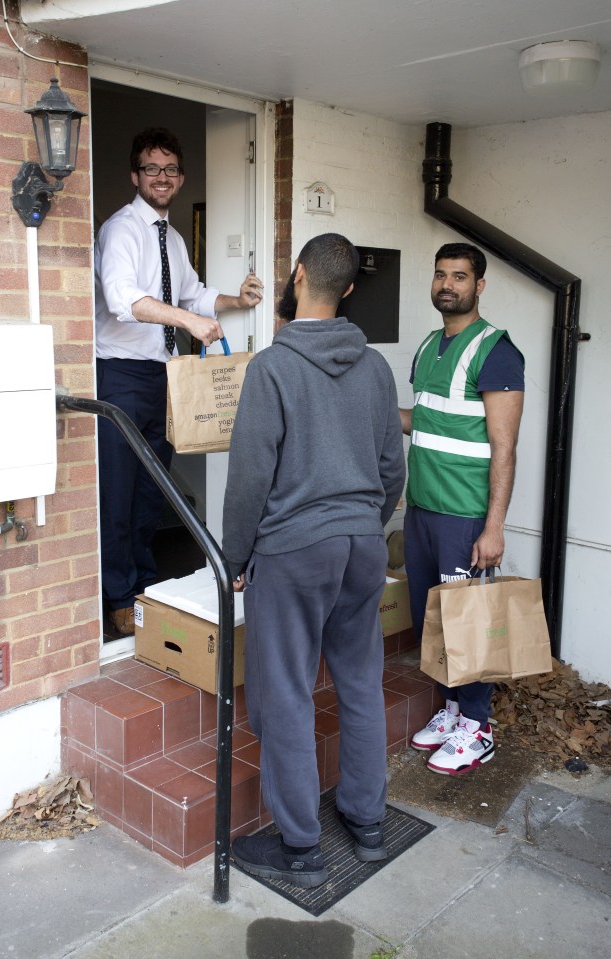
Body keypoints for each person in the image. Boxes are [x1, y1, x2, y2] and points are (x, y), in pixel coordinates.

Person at [222, 233, 405, 888]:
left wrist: (233, 556)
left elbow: (248, 478)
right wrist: (363, 525)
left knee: (288, 694)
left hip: (293, 553)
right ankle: (367, 820)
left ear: (297, 276)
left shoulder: (272, 368)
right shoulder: (376, 369)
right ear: (349, 288)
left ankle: (300, 847)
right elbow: (392, 470)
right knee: (358, 682)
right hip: (360, 546)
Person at [95, 127, 263, 637]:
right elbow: (122, 297)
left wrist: (237, 302)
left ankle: (144, 587)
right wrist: (187, 324)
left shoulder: (173, 238)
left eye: (169, 169)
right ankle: (117, 598)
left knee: (152, 491)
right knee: (118, 495)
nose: (161, 177)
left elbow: (191, 294)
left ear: (180, 177)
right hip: (120, 376)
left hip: (164, 378)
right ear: (135, 175)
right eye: (151, 168)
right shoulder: (122, 230)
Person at [399, 242, 524, 775]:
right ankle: (452, 711)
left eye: (460, 276)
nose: (448, 284)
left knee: (470, 624)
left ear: (479, 286)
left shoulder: (497, 350)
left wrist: (493, 527)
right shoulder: (429, 344)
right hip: (422, 508)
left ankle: (478, 727)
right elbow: (423, 421)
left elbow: (504, 447)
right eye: (441, 275)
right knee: (435, 621)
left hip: (465, 516)